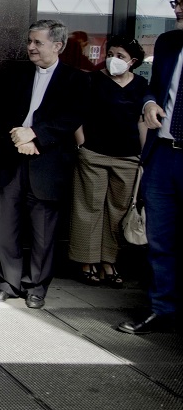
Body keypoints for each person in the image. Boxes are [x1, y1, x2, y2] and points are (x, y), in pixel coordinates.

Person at [0, 20, 87, 309]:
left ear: (58, 46)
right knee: (7, 225)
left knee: (44, 232)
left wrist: (35, 136)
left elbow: (71, 117)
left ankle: (36, 287)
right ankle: (7, 281)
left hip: (48, 165)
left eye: (38, 42)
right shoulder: (15, 75)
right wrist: (19, 138)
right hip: (12, 159)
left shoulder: (76, 80)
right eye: (29, 41)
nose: (30, 47)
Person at [118, 0, 183, 335]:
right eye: (176, 3)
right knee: (160, 240)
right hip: (163, 156)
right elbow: (153, 87)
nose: (177, 10)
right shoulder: (168, 43)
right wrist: (148, 103)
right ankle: (163, 310)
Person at [69, 35, 147, 286]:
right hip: (94, 154)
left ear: (133, 61)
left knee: (118, 211)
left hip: (128, 157)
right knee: (88, 209)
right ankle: (86, 261)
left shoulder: (141, 85)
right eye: (111, 53)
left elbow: (142, 122)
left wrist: (144, 156)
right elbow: (76, 114)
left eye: (121, 56)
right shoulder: (91, 80)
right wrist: (82, 144)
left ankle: (108, 262)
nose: (113, 59)